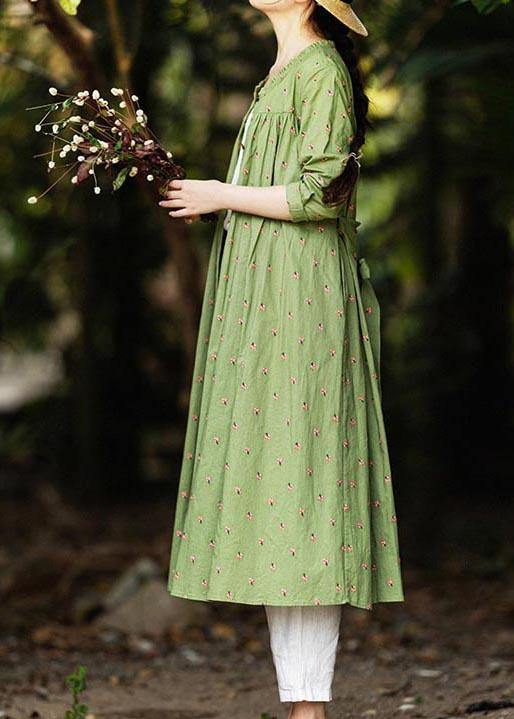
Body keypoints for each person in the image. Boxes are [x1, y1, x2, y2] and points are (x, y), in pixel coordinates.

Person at [160, 1, 405, 716]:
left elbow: (321, 192)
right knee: (277, 491)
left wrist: (220, 194)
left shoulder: (321, 70)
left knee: (305, 489)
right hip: (265, 291)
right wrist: (215, 199)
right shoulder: (282, 71)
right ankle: (302, 704)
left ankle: (309, 706)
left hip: (302, 295)